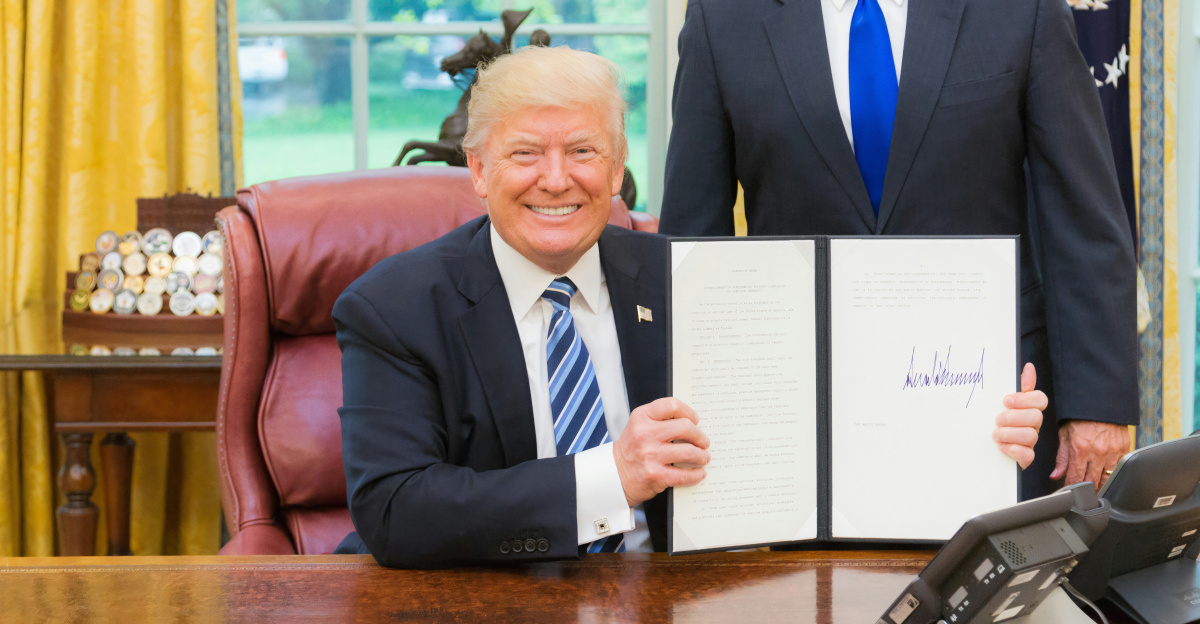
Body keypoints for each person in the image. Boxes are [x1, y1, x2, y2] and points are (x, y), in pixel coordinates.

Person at [333, 45, 1045, 569]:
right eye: (525, 154)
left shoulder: (695, 281)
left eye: (583, 150)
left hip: (681, 593)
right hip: (486, 599)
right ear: (479, 171)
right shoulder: (393, 309)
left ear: (616, 171)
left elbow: (824, 428)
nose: (556, 180)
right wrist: (614, 476)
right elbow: (397, 511)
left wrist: (967, 431)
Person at [660, 0, 1136, 499]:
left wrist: (1097, 405)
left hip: (1000, 417)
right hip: (803, 427)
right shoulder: (721, 17)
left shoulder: (1024, 9)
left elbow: (1082, 216)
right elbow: (692, 245)